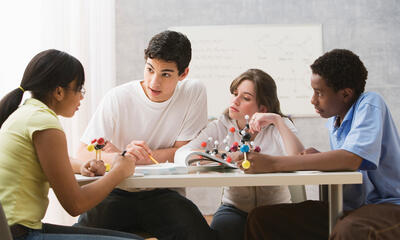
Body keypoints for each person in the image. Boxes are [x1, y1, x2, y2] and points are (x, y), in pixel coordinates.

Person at [243, 49, 400, 239]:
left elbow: (351, 158)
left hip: (388, 205)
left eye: (319, 92)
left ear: (346, 94)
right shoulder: (335, 121)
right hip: (350, 207)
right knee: (262, 219)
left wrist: (273, 163)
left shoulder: (370, 103)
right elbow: (348, 158)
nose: (313, 100)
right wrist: (319, 155)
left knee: (350, 230)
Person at [75, 30, 216, 239]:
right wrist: (119, 158)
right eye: (150, 70)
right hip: (117, 189)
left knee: (201, 235)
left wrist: (127, 159)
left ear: (183, 74)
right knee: (81, 235)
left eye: (165, 74)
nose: (153, 82)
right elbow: (83, 154)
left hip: (164, 193)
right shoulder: (118, 97)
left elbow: (183, 154)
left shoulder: (193, 92)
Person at [0, 49, 143, 240]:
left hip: (14, 228)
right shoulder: (44, 123)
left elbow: (48, 160)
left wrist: (80, 166)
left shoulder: (26, 114)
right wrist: (119, 171)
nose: (81, 97)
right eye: (79, 89)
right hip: (19, 234)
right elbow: (75, 204)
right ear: (59, 91)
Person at [174, 69, 305, 240]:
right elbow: (181, 154)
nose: (234, 101)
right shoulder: (221, 125)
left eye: (245, 98)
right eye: (235, 94)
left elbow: (299, 158)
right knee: (223, 231)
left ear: (262, 108)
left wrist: (277, 120)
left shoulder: (279, 125)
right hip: (234, 208)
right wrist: (226, 156)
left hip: (276, 207)